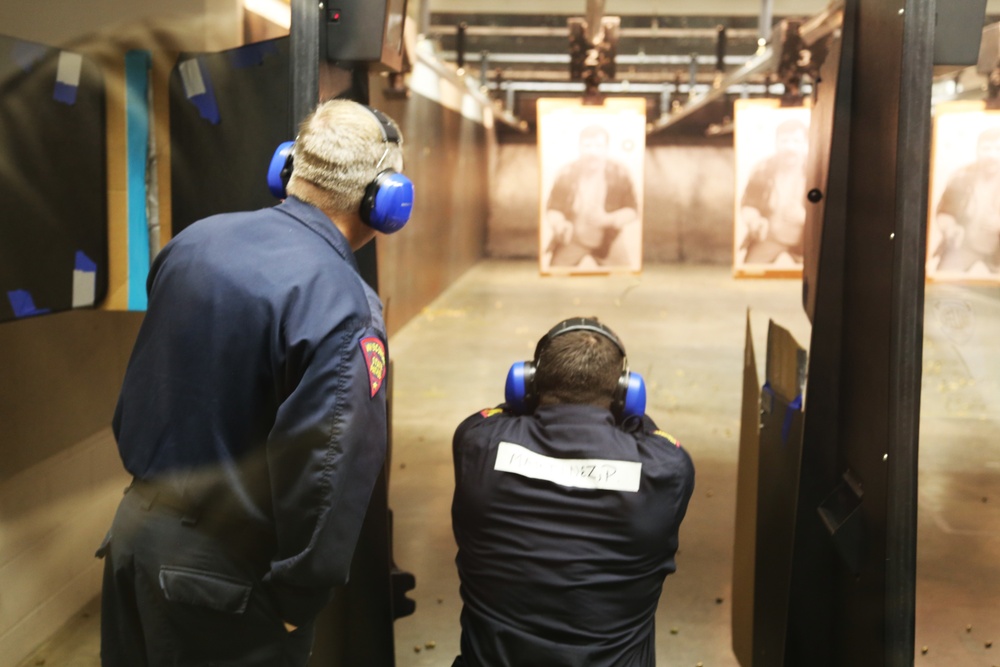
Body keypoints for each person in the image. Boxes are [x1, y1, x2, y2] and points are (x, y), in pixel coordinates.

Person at [97, 99, 412, 667]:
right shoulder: (345, 305)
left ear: (289, 168)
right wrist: (298, 596)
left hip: (132, 539)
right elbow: (330, 469)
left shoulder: (195, 241)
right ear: (384, 201)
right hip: (224, 577)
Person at [450, 317, 695, 667]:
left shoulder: (479, 443)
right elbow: (646, 433)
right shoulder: (665, 468)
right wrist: (625, 416)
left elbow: (497, 417)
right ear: (626, 394)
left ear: (526, 385)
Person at [544, 125, 640, 269]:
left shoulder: (620, 173)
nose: (592, 152)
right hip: (572, 240)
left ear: (606, 148)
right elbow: (553, 208)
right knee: (555, 275)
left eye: (598, 145)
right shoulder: (566, 173)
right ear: (579, 147)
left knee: (624, 277)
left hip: (609, 240)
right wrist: (560, 224)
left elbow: (632, 210)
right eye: (587, 146)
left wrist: (608, 219)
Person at [739, 117, 809, 265]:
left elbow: (832, 211)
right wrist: (755, 221)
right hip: (771, 237)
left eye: (796, 141)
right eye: (784, 141)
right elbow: (748, 203)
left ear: (805, 144)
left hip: (808, 240)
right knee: (751, 269)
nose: (790, 147)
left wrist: (807, 218)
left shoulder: (818, 170)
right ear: (776, 143)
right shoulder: (763, 169)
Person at [932, 126, 1000, 275]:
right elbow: (945, 211)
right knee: (942, 282)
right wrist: (950, 228)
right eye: (986, 149)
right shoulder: (962, 176)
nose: (992, 155)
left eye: (997, 149)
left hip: (997, 250)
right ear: (977, 151)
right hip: (965, 245)